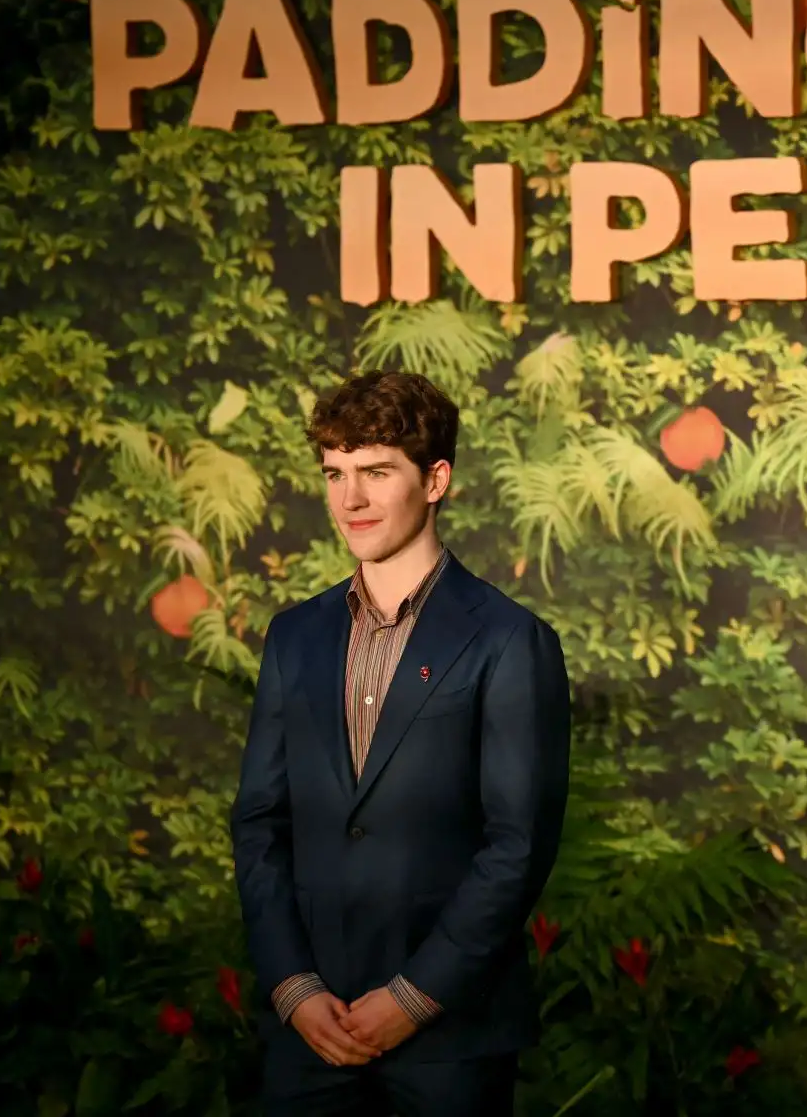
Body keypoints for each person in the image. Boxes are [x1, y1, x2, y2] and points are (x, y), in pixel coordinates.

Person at [231, 369, 572, 1116]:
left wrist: (412, 999)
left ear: (436, 479)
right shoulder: (294, 637)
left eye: (376, 472)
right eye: (335, 473)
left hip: (450, 1044)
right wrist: (294, 990)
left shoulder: (511, 640)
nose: (349, 499)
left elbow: (518, 847)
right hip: (307, 1037)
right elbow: (259, 825)